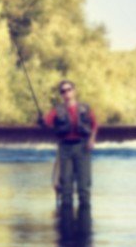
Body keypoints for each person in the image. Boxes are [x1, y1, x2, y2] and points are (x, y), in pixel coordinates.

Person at [40, 80, 98, 208]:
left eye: (69, 89)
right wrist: (41, 121)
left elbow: (94, 125)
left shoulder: (85, 108)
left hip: (83, 147)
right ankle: (66, 223)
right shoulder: (57, 111)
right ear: (61, 94)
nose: (66, 93)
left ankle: (84, 224)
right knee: (66, 187)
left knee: (84, 187)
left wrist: (92, 140)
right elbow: (47, 122)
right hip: (65, 148)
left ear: (74, 91)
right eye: (63, 91)